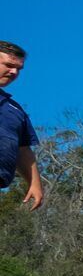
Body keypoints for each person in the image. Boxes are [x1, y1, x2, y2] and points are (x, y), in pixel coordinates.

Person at [0, 41, 43, 210]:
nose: (14, 72)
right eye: (9, 65)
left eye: (19, 69)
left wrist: (35, 184)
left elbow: (23, 149)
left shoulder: (15, 109)